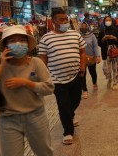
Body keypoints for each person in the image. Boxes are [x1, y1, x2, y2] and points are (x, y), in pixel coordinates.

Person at [0, 25, 54, 156]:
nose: (18, 43)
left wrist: (26, 83)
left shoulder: (36, 62)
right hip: (8, 119)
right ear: (6, 45)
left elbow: (49, 88)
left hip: (36, 117)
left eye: (22, 40)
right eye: (12, 41)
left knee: (45, 153)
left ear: (27, 43)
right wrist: (1, 66)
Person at [38, 8, 86, 145]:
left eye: (66, 19)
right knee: (63, 104)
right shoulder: (46, 38)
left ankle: (70, 116)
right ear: (53, 22)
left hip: (76, 75)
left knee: (76, 100)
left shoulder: (75, 35)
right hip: (57, 79)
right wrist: (44, 77)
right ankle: (68, 131)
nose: (65, 22)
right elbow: (43, 59)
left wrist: (82, 70)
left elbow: (82, 52)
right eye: (62, 20)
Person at [97, 15, 118, 90]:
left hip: (115, 50)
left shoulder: (116, 30)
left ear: (112, 21)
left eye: (109, 20)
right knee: (107, 68)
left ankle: (115, 82)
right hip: (105, 50)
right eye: (106, 20)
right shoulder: (102, 31)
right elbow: (99, 42)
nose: (108, 22)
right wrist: (103, 39)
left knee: (116, 67)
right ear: (104, 22)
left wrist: (114, 38)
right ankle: (109, 78)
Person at [79, 21, 101, 98]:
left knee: (93, 72)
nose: (83, 27)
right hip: (81, 58)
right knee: (82, 74)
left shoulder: (92, 36)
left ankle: (94, 83)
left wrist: (97, 56)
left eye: (85, 26)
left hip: (91, 57)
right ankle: (84, 90)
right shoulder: (78, 36)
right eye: (82, 26)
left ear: (87, 27)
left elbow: (95, 46)